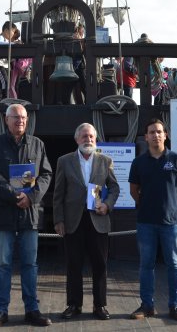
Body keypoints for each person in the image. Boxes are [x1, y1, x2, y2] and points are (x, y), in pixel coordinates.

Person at [0, 103, 53, 328]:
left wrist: (30, 197)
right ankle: (0, 311)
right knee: (2, 263)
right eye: (16, 117)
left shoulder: (37, 144)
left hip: (29, 214)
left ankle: (32, 309)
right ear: (6, 119)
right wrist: (14, 195)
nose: (20, 121)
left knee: (29, 264)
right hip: (3, 213)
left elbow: (46, 174)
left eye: (23, 118)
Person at [53, 123, 120, 321]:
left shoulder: (105, 161)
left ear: (95, 139)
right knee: (74, 264)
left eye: (91, 136)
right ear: (77, 140)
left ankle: (100, 305)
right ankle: (74, 304)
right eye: (84, 136)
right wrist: (58, 220)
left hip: (98, 220)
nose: (88, 140)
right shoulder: (64, 161)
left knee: (100, 264)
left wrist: (107, 205)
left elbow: (114, 188)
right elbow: (58, 194)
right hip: (73, 221)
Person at [128, 119, 177, 322]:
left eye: (159, 131)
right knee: (146, 265)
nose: (156, 135)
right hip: (146, 221)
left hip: (171, 223)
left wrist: (173, 206)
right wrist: (148, 205)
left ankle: (176, 306)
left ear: (165, 135)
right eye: (151, 132)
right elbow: (134, 191)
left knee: (174, 264)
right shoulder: (138, 162)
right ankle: (147, 305)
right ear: (145, 137)